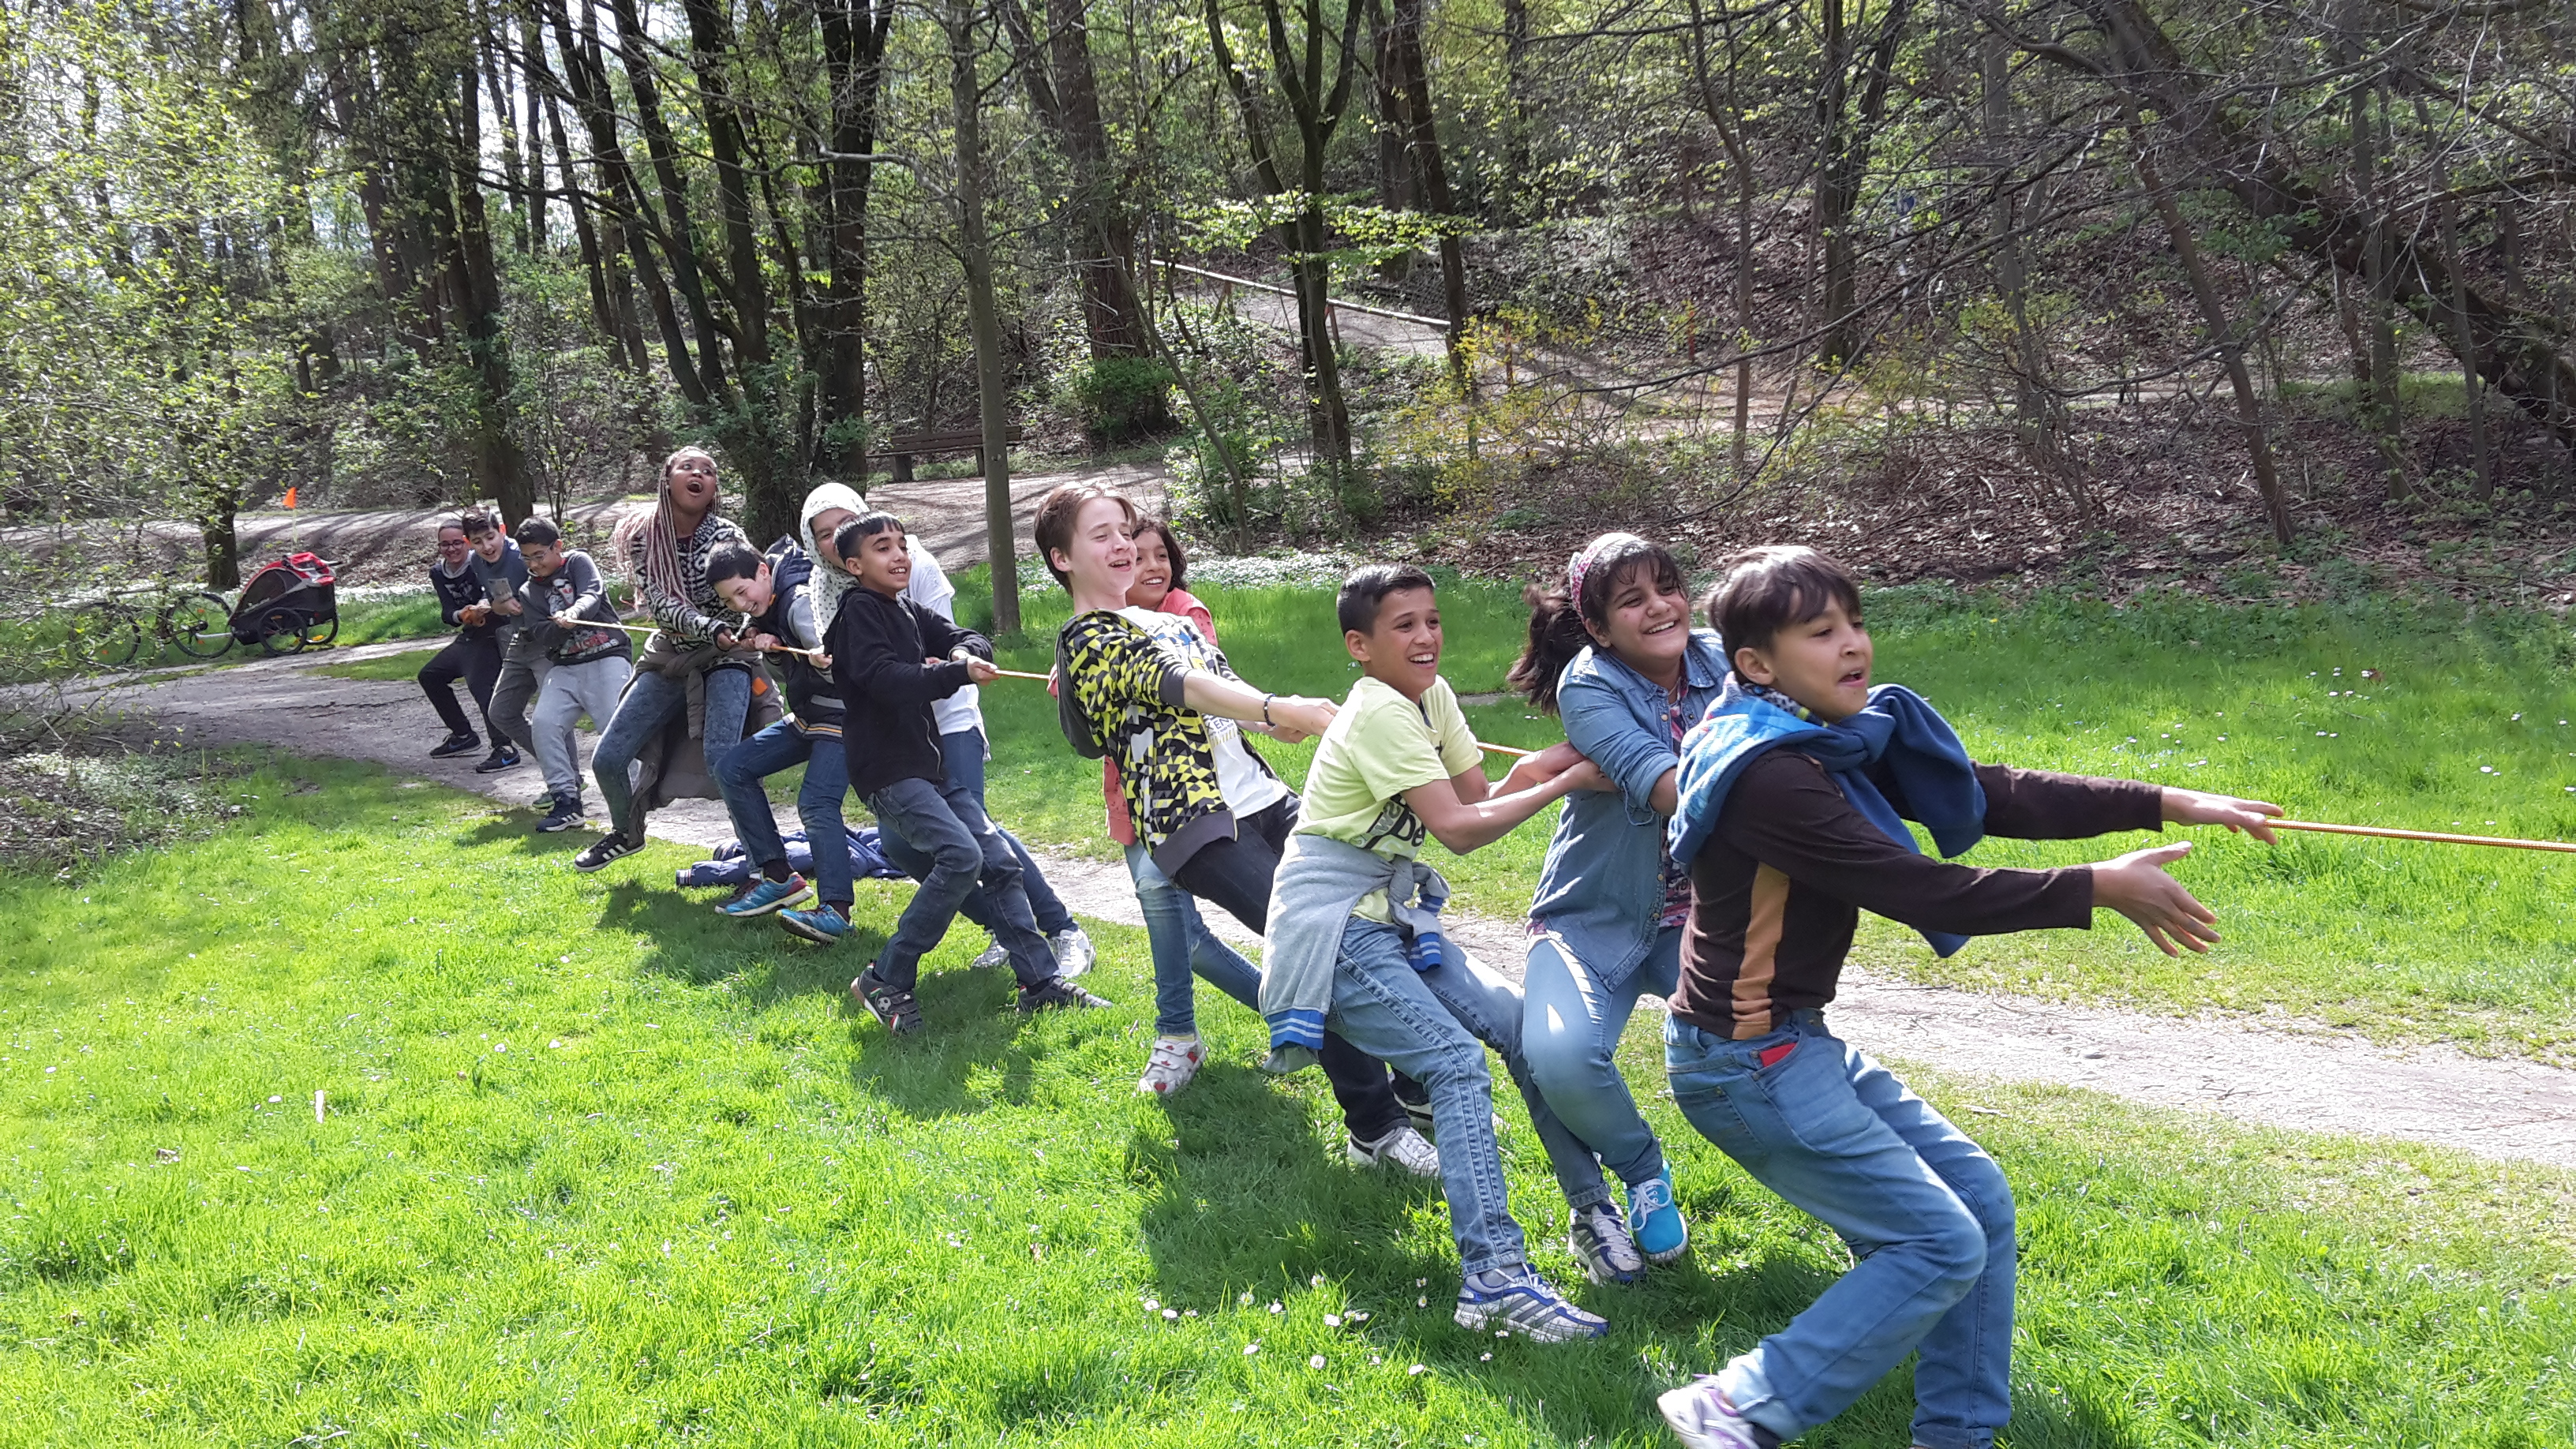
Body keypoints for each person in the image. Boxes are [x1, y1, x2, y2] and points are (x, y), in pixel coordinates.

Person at [1653, 545, 2282, 1449]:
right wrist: (2095, 888)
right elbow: (1920, 889)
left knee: (1975, 1202)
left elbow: (1986, 792)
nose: (1853, 644)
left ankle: (1957, 1437)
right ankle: (1740, 1405)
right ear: (1757, 664)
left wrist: (2168, 802)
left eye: (1856, 623)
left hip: (1792, 1044)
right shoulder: (1770, 774)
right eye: (1821, 632)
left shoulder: (1823, 736)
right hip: (1748, 1063)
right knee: (1936, 1243)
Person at [1260, 563, 1614, 1344]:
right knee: (1456, 1064)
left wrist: (1552, 763)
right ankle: (1494, 1280)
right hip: (1336, 926)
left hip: (1392, 913)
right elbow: (1457, 832)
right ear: (1361, 646)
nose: (1425, 637)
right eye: (1403, 626)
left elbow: (1473, 802)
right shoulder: (1380, 712)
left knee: (1523, 1033)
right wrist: (1568, 784)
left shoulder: (1434, 696)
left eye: (1432, 620)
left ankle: (1594, 1215)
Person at [1035, 481, 1435, 1173]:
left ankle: (1418, 1083)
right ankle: (1375, 1127)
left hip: (1265, 798)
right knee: (1319, 951)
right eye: (1101, 535)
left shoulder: (1171, 619)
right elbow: (1173, 686)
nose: (1123, 545)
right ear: (1061, 558)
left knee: (1364, 928)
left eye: (1125, 530)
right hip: (1195, 824)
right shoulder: (1087, 639)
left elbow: (1220, 693)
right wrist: (1283, 705)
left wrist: (1268, 718)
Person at [1501, 532, 1716, 1284]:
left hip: (1709, 918)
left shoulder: (1726, 660)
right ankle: (1640, 1167)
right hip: (1591, 915)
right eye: (1632, 600)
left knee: (1771, 1057)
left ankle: (1865, 1204)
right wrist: (1593, 766)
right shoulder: (1589, 686)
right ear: (1597, 627)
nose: (1660, 607)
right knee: (1557, 1055)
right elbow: (1671, 789)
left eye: (1667, 586)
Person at [795, 483, 1095, 975]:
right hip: (894, 756)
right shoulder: (848, 604)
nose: (898, 555)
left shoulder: (908, 592)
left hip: (943, 729)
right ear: (841, 556)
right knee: (924, 849)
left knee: (982, 847)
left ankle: (1055, 943)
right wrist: (952, 668)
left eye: (900, 544)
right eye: (823, 536)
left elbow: (956, 637)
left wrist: (965, 655)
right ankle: (906, 967)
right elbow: (882, 677)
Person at [1092, 516, 1268, 1096]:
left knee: (1172, 917)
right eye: (1137, 556)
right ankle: (1288, 1020)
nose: (1152, 565)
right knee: (1184, 935)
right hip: (1131, 800)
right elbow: (1085, 722)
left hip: (1193, 802)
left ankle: (1178, 1034)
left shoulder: (1184, 612)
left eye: (1160, 554)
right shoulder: (1097, 628)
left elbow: (1201, 682)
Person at [573, 446, 758, 873]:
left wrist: (744, 627)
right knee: (608, 758)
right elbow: (660, 603)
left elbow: (750, 589)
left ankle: (760, 856)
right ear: (667, 478)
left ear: (713, 489)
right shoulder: (641, 536)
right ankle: (626, 832)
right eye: (688, 467)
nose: (699, 474)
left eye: (709, 471)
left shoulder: (727, 534)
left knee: (723, 759)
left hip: (727, 656)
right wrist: (709, 627)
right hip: (671, 653)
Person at [703, 536, 861, 937]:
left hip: (847, 717)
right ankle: (777, 876)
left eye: (741, 592)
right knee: (732, 769)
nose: (740, 605)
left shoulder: (796, 603)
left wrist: (807, 651)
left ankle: (836, 912)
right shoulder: (768, 601)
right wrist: (771, 649)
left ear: (761, 572)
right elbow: (791, 676)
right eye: (730, 602)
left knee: (816, 803)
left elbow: (840, 668)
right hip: (810, 715)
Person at [512, 518, 634, 833]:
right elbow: (541, 634)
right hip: (565, 666)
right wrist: (557, 626)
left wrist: (574, 613)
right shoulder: (528, 591)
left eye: (540, 555)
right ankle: (566, 801)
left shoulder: (578, 562)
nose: (534, 564)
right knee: (544, 724)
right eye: (527, 558)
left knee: (613, 725)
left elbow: (592, 594)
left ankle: (635, 798)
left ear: (558, 547)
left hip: (608, 655)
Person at [417, 517, 503, 760]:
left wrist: (482, 607)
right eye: (445, 545)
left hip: (493, 634)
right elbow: (447, 613)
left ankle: (503, 747)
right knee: (430, 675)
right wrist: (463, 614)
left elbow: (493, 592)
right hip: (470, 635)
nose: (452, 549)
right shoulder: (438, 572)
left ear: (466, 543)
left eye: (457, 543)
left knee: (480, 685)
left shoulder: (480, 562)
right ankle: (463, 736)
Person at [462, 509, 532, 777]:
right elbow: (498, 599)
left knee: (555, 714)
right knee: (501, 712)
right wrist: (488, 606)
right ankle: (560, 771)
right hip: (517, 638)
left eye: (490, 537)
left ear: (502, 530)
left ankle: (565, 777)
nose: (487, 546)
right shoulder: (477, 562)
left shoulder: (519, 556)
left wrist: (517, 605)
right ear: (469, 542)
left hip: (547, 639)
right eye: (478, 541)